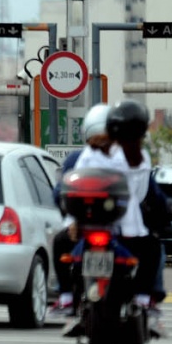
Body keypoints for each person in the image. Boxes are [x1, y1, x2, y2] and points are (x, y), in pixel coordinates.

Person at [68, 99, 167, 338]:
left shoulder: (84, 156)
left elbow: (67, 190)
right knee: (152, 249)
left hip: (94, 225)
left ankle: (71, 302)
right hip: (118, 228)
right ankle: (144, 299)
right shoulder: (135, 156)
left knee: (71, 258)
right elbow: (146, 192)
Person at [47, 103, 111, 319]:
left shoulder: (124, 159)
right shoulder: (78, 160)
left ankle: (65, 297)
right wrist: (72, 219)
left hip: (110, 227)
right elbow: (61, 193)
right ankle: (66, 295)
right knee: (60, 242)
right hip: (93, 227)